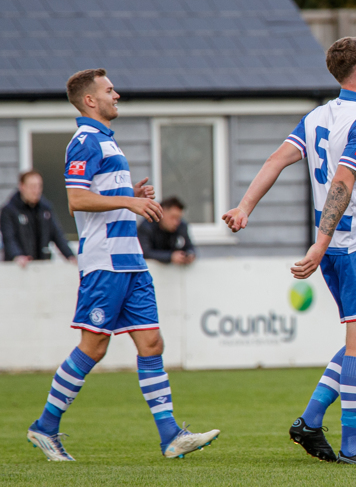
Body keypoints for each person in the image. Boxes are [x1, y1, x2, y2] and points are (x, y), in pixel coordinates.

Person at [223, 37, 356, 465]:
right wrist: (320, 243)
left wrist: (244, 206)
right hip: (355, 244)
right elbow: (342, 182)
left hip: (338, 248)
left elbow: (274, 160)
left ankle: (310, 421)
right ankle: (354, 447)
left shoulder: (318, 115)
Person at [26, 68, 219, 462]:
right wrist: (130, 202)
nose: (118, 95)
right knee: (93, 348)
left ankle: (170, 436)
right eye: (110, 90)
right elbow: (77, 201)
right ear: (90, 101)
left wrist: (129, 193)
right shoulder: (84, 141)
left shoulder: (106, 142)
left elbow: (97, 196)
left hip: (130, 261)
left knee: (152, 342)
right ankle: (44, 427)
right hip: (105, 264)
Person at [1, 170, 76, 267]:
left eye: (39, 186)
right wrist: (17, 256)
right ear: (22, 186)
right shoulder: (9, 211)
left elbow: (57, 235)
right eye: (32, 186)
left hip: (42, 266)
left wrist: (70, 256)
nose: (36, 190)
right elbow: (9, 239)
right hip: (18, 268)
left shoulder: (45, 209)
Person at [138, 197, 196, 265]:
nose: (176, 222)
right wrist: (170, 257)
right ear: (162, 213)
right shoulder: (147, 226)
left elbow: (190, 247)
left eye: (178, 218)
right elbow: (145, 252)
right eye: (173, 217)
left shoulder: (181, 226)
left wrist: (190, 254)